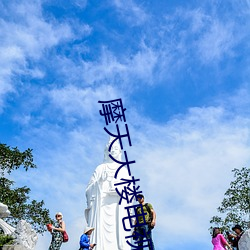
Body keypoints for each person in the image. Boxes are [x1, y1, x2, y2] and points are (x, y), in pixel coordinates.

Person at [85, 136, 131, 249]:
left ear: (119, 151)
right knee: (99, 237)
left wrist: (120, 191)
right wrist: (99, 183)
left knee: (119, 232)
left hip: (118, 208)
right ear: (107, 151)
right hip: (101, 208)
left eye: (116, 148)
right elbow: (88, 190)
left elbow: (130, 192)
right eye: (111, 148)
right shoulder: (100, 168)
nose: (113, 151)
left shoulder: (124, 170)